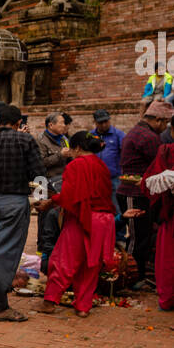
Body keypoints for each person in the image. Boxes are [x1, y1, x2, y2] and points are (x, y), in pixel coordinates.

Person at [39, 132, 116, 318]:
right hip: (104, 220)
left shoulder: (76, 164)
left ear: (78, 148)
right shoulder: (102, 166)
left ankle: (50, 301)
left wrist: (50, 202)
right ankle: (83, 306)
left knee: (64, 259)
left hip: (83, 216)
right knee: (91, 264)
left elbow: (69, 195)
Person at [0, 104, 44, 322]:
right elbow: (38, 172)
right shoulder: (25, 140)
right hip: (14, 201)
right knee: (3, 253)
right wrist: (42, 199)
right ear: (18, 124)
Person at [118, 100, 172, 289]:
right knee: (136, 237)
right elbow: (160, 164)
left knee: (142, 236)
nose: (165, 127)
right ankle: (129, 277)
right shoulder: (147, 137)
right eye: (165, 123)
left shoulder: (140, 132)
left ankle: (137, 275)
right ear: (157, 120)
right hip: (134, 192)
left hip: (138, 192)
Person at [36, 112, 73, 272]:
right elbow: (40, 163)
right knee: (44, 216)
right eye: (61, 123)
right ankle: (43, 250)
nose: (64, 126)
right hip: (45, 183)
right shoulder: (41, 141)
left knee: (59, 215)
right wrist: (60, 155)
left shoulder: (65, 139)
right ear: (51, 125)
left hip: (62, 184)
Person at [142, 138, 174, 311]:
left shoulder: (167, 151)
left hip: (171, 216)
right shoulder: (167, 151)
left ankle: (168, 298)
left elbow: (148, 183)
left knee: (169, 259)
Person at [88, 108, 125, 238]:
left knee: (116, 207)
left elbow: (124, 155)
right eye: (100, 122)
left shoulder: (118, 135)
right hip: (95, 179)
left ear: (109, 120)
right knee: (98, 208)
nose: (103, 125)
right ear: (95, 122)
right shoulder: (91, 136)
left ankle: (119, 237)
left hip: (114, 178)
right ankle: (101, 236)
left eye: (105, 121)